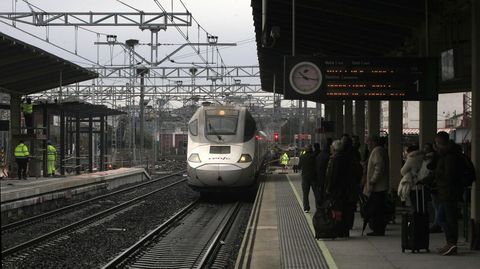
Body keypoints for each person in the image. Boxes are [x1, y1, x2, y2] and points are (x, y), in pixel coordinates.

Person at [433, 131, 462, 255]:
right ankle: (449, 243)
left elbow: (449, 175)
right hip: (444, 191)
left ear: (439, 142)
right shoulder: (444, 155)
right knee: (442, 218)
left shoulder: (449, 156)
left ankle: (452, 243)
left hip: (449, 192)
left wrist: (438, 176)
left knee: (447, 218)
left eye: (437, 143)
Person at [364, 135, 390, 236]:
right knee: (378, 208)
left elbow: (379, 167)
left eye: (369, 142)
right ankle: (378, 228)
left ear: (373, 142)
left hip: (378, 187)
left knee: (376, 209)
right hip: (380, 186)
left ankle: (378, 229)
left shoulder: (377, 151)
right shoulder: (380, 150)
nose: (368, 144)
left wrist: (373, 180)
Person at [417, 142, 442, 233]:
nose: (424, 149)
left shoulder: (433, 158)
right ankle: (437, 223)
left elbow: (431, 170)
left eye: (426, 147)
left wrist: (424, 180)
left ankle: (437, 224)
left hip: (435, 184)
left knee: (438, 205)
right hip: (433, 183)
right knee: (436, 205)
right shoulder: (428, 158)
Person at [298, 144, 320, 213]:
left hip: (305, 178)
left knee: (305, 194)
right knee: (316, 194)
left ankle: (306, 208)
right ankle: (318, 207)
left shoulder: (302, 157)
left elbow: (299, 166)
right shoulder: (315, 156)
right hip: (314, 178)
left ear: (305, 150)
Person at [315, 138, 332, 204]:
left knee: (320, 195)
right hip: (326, 180)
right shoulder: (329, 157)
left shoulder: (319, 156)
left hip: (319, 179)